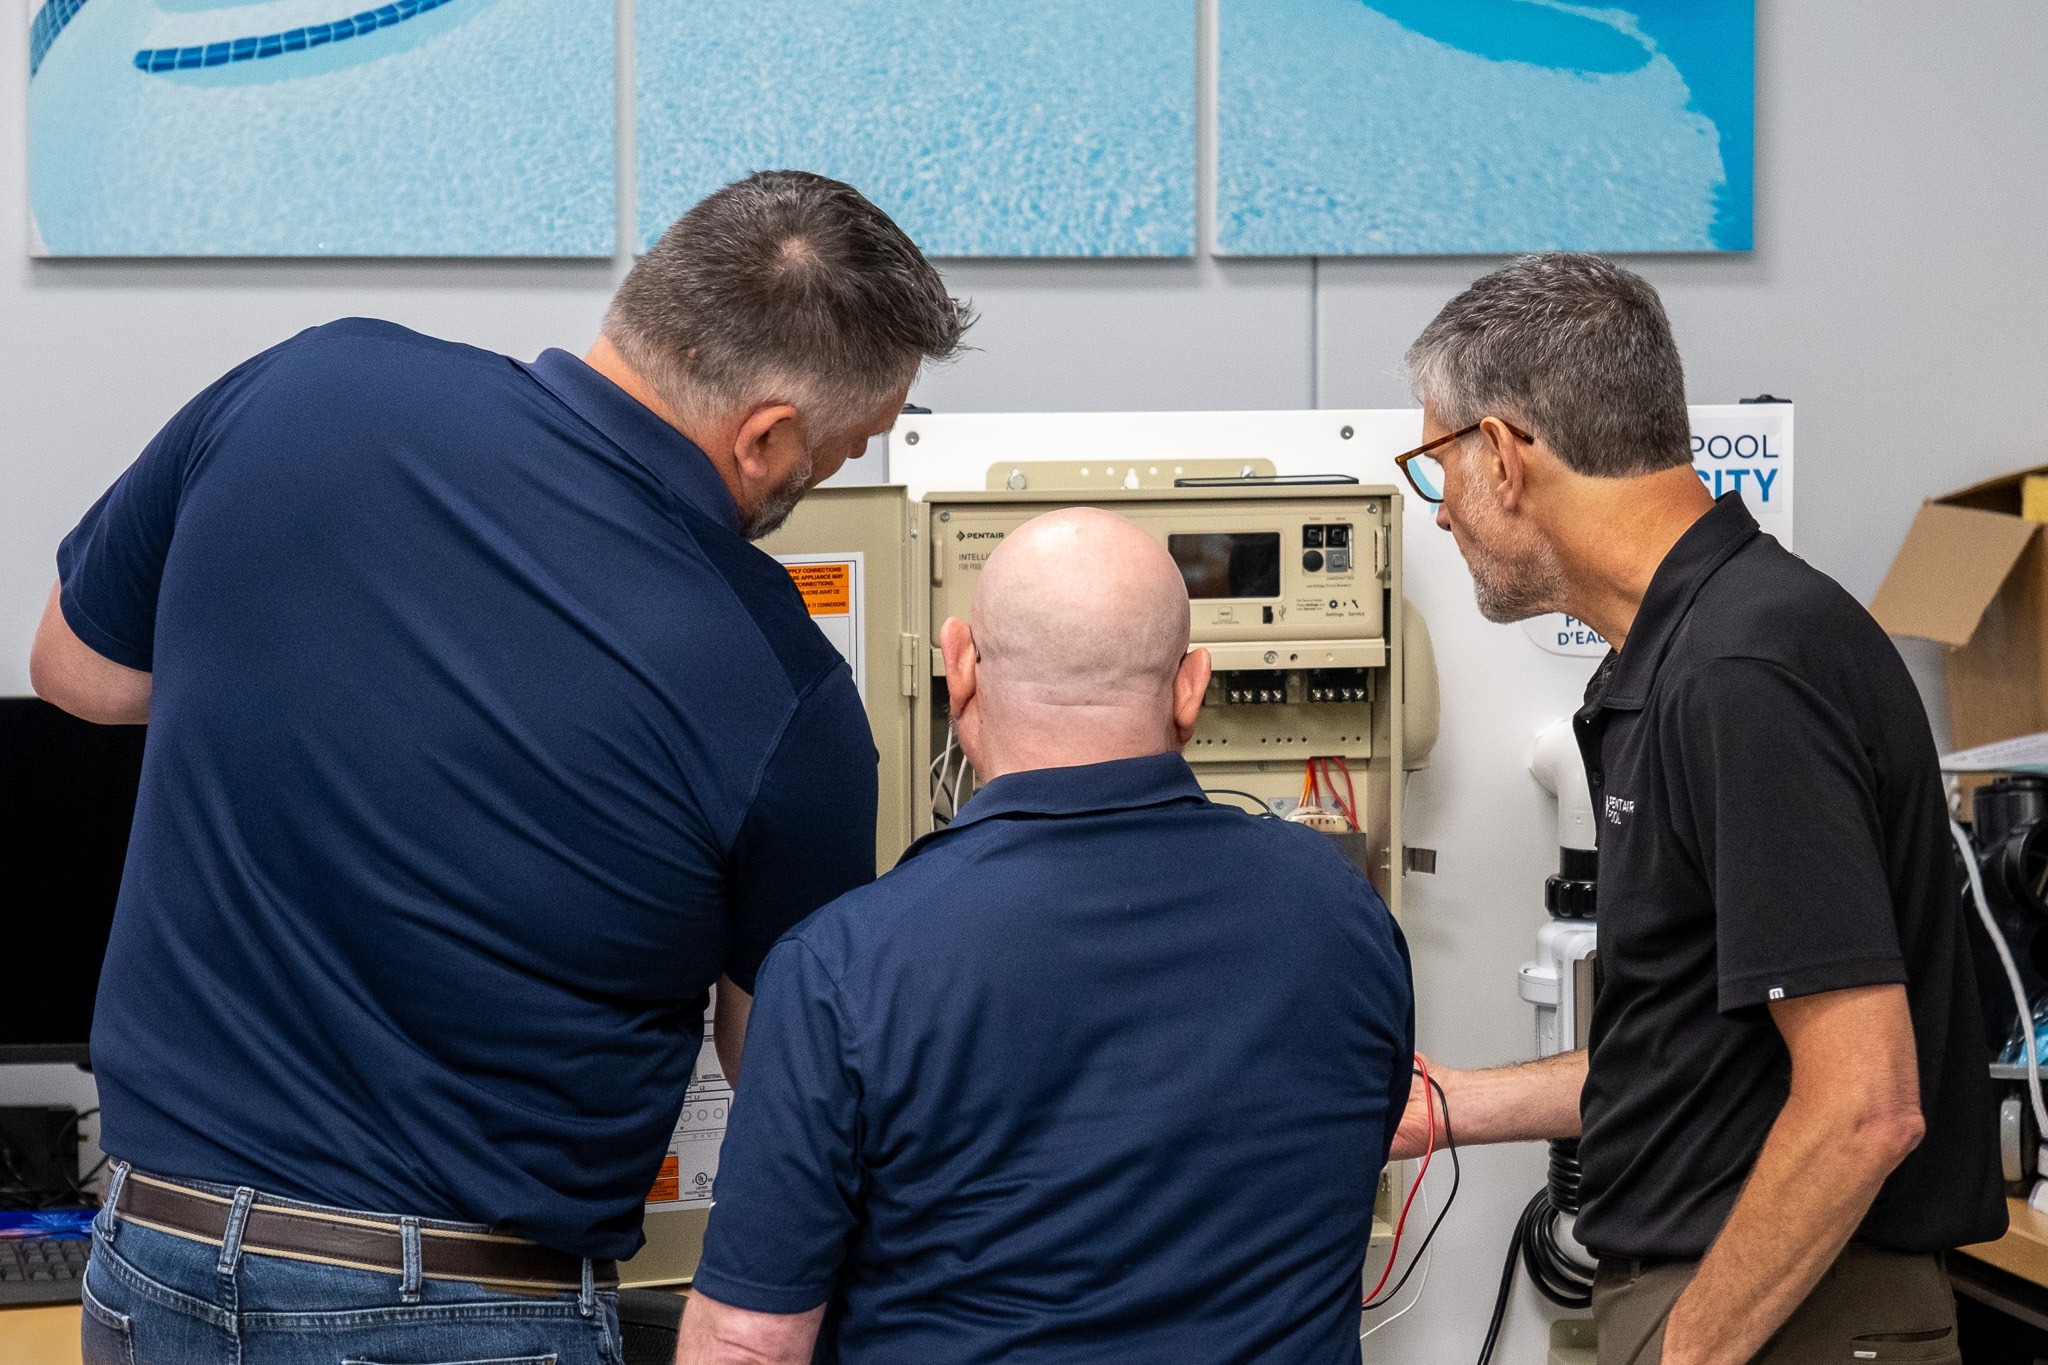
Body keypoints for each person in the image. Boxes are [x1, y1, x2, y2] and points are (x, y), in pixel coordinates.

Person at [29, 171, 970, 1365]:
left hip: (153, 1257)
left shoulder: (311, 382)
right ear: (767, 435)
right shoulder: (784, 688)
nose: (830, 471)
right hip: (462, 1310)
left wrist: (307, 680)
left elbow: (73, 668)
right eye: (845, 447)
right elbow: (781, 1066)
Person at [1388, 253, 2003, 1365]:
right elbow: (1704, 1059)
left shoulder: (1740, 670)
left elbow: (1865, 1106)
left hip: (1785, 1316)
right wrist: (1447, 1105)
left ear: (1502, 454)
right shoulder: (1691, 651)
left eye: (1436, 469)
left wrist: (1688, 1350)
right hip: (1746, 1300)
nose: (1441, 518)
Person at [673, 508, 1416, 1364]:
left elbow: (751, 1343)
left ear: (959, 667)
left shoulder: (841, 967)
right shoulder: (1346, 914)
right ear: (1191, 686)